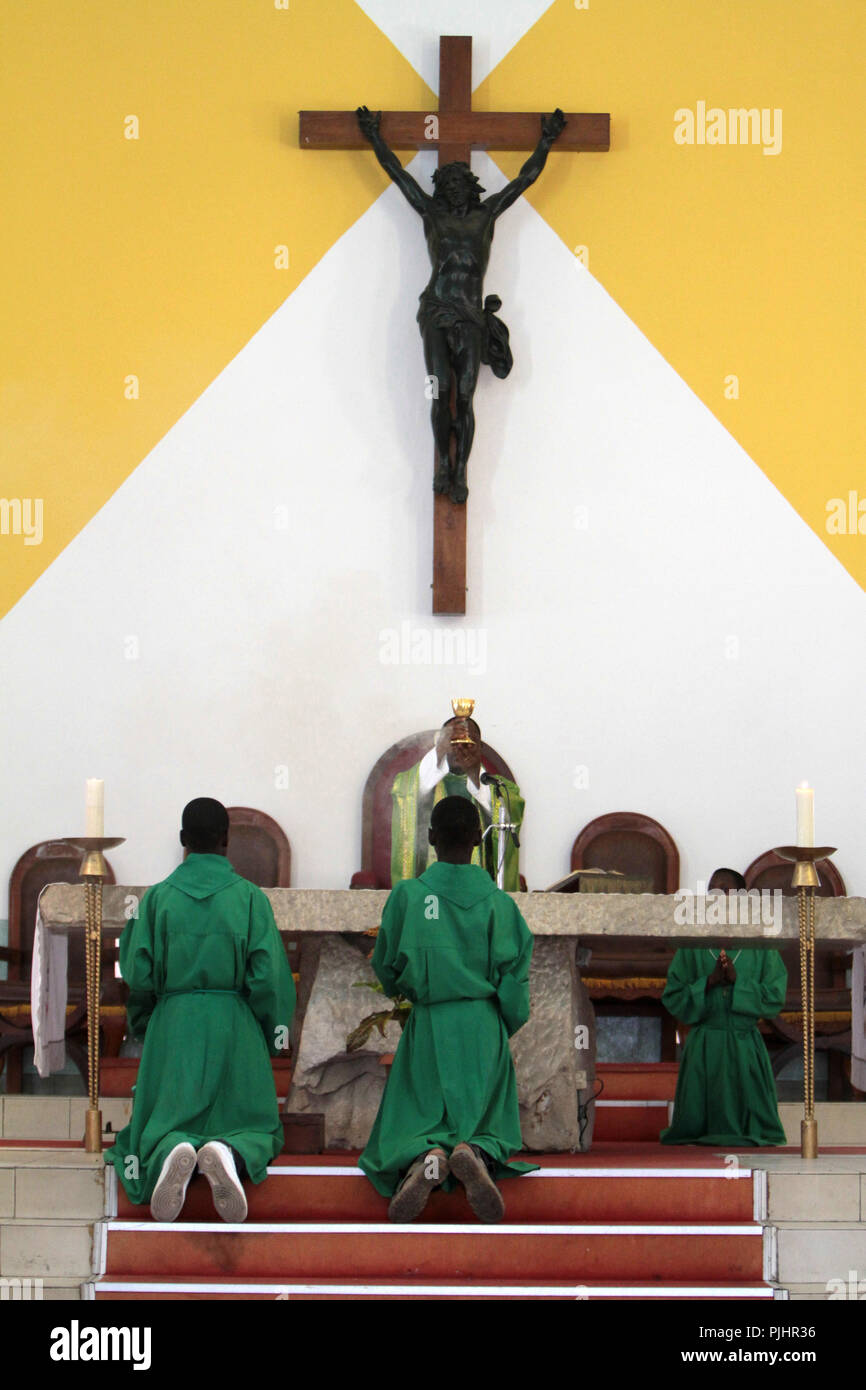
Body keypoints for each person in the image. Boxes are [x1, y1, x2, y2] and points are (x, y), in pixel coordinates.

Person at [356, 105, 566, 502]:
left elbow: (524, 179)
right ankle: (442, 465)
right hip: (436, 311)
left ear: (471, 187)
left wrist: (546, 140)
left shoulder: (486, 216)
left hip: (470, 317)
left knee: (466, 396)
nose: (452, 188)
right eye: (446, 183)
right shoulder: (431, 214)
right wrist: (374, 137)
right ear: (439, 190)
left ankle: (461, 470)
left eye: (458, 182)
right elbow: (398, 174)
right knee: (439, 391)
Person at [104, 798, 296, 1221]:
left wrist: (143, 1024)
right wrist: (273, 1032)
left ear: (182, 841)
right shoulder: (249, 899)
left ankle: (172, 1147)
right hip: (234, 1025)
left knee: (160, 1123)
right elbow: (267, 977)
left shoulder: (155, 901)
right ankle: (228, 1152)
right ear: (227, 841)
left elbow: (137, 976)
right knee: (254, 1126)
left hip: (174, 1024)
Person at [360, 795, 536, 1222]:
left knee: (419, 1115)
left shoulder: (408, 897)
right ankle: (473, 1150)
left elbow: (387, 965)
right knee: (482, 1118)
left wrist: (412, 992)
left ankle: (427, 1158)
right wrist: (501, 1024)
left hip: (431, 1022)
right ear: (479, 839)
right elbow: (514, 981)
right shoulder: (500, 905)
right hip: (481, 1022)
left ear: (430, 838)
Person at [660, 868, 787, 1146]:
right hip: (705, 1041)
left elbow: (775, 995)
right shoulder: (692, 945)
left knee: (752, 1128)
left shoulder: (761, 944)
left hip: (744, 1042)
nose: (718, 896)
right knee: (696, 1127)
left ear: (742, 898)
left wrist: (738, 984)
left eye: (725, 890)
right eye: (712, 891)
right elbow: (674, 995)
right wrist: (708, 982)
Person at [390, 708, 524, 889]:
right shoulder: (416, 781)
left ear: (480, 749)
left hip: (479, 894)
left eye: (468, 742)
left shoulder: (501, 789)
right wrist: (437, 756)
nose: (460, 747)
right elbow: (404, 791)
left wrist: (476, 779)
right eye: (453, 742)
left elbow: (509, 813)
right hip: (429, 892)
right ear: (441, 746)